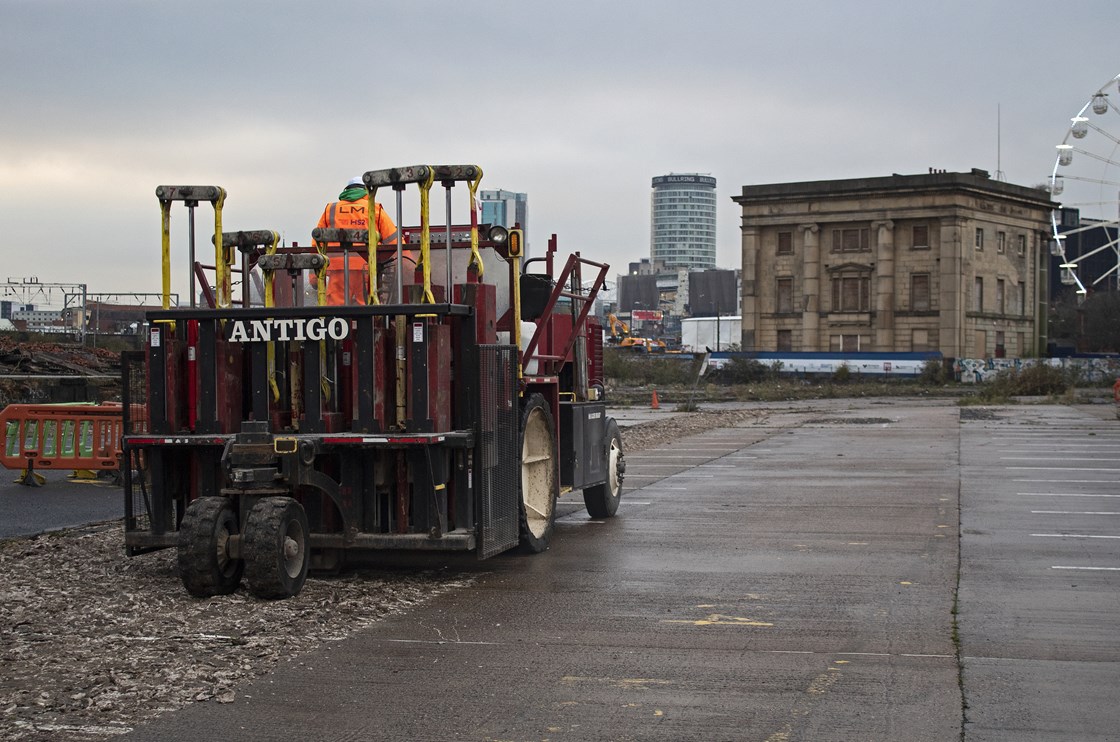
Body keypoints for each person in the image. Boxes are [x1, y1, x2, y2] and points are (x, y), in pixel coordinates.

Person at [312, 176, 400, 305]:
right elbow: (394, 241)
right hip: (367, 267)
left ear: (347, 190)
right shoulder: (374, 209)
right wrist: (409, 266)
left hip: (338, 268)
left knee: (336, 311)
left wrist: (314, 276)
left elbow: (317, 243)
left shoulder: (331, 209)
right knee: (367, 307)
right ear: (366, 190)